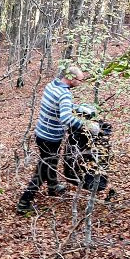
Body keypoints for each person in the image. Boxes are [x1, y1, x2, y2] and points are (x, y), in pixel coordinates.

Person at [17, 65, 100, 213]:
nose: (80, 83)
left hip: (41, 134)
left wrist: (78, 108)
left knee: (51, 162)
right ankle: (24, 202)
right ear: (71, 78)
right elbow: (66, 117)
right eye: (79, 80)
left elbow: (59, 106)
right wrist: (87, 125)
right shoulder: (65, 94)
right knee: (43, 170)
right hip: (50, 138)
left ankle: (53, 186)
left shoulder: (52, 85)